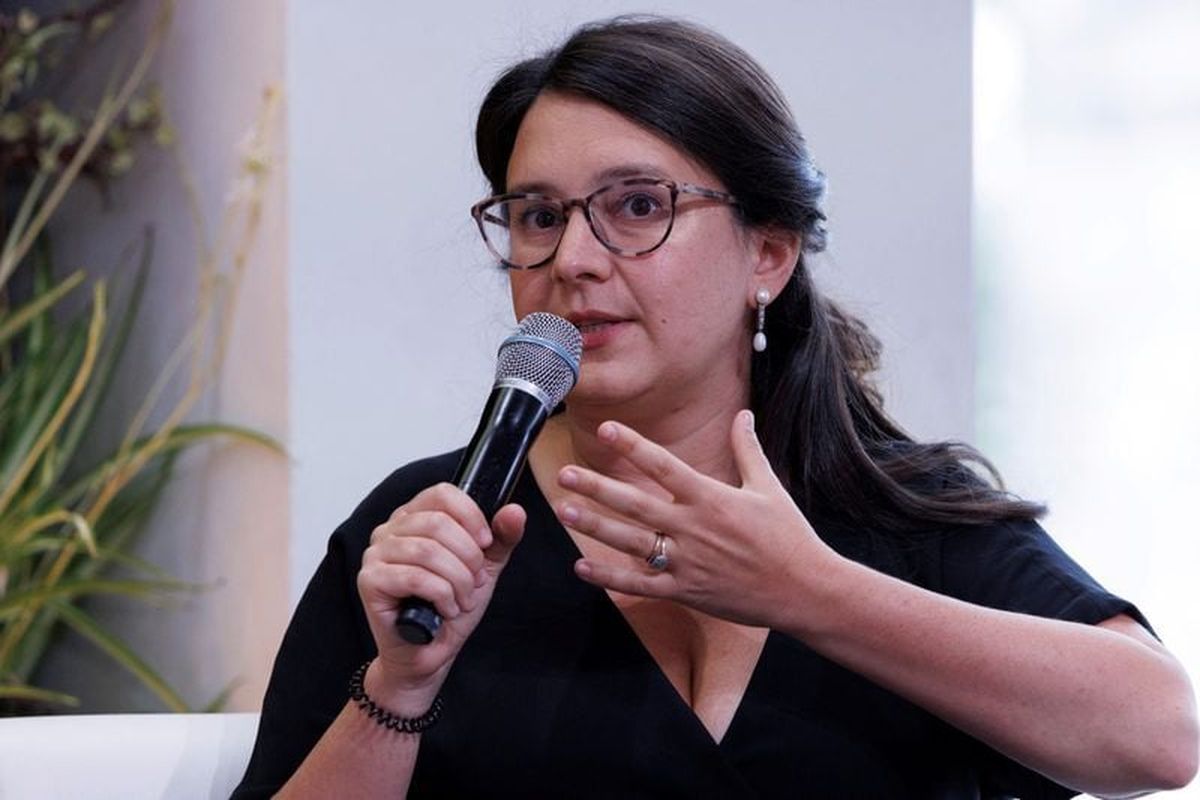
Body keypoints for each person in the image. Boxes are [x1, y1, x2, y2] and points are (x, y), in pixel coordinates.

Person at [234, 16, 1197, 798]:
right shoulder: (430, 531)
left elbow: (1161, 739)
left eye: (639, 205)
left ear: (767, 256)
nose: (573, 258)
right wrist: (399, 686)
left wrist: (808, 591)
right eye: (538, 216)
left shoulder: (892, 509)